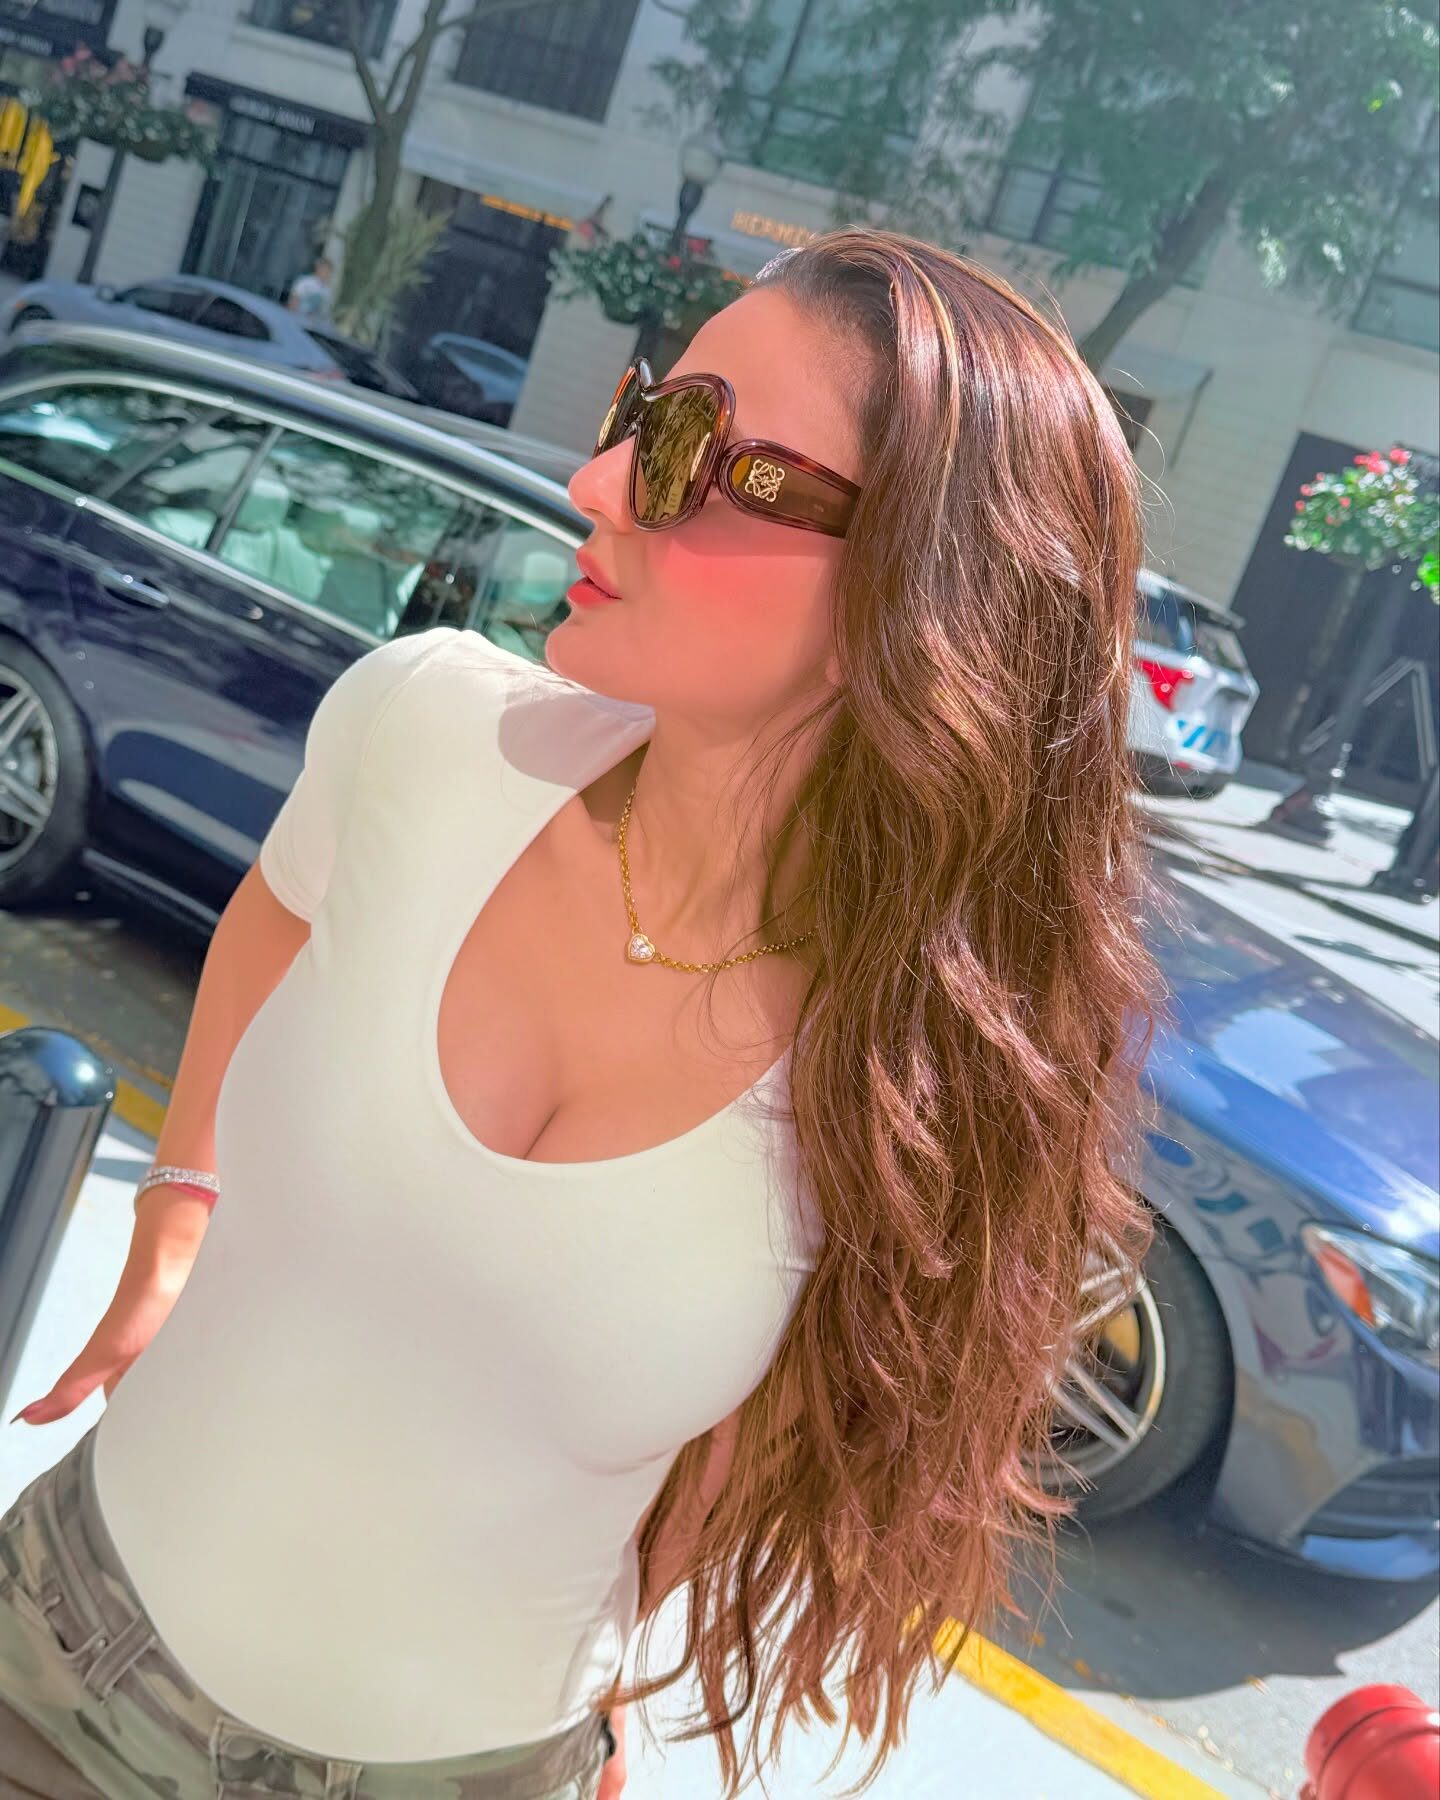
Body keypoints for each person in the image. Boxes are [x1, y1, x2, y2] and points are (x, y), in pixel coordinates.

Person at [0, 226, 1164, 1799]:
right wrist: (181, 1202)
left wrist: (604, 1680)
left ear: (920, 589)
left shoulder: (913, 1078)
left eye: (692, 450)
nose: (598, 481)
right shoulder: (427, 728)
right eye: (638, 411)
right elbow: (277, 906)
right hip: (55, 1654)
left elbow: (756, 1446)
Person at [287, 253, 334, 322]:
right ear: (318, 269)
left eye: (329, 272)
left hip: (311, 323)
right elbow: (293, 302)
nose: (328, 274)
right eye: (326, 271)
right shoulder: (305, 282)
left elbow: (323, 311)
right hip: (296, 320)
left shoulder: (326, 291)